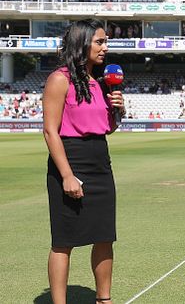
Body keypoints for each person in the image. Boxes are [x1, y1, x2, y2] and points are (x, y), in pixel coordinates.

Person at [42, 19, 125, 304]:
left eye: (106, 42)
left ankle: (104, 299)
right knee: (64, 241)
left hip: (100, 162)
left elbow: (105, 128)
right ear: (82, 43)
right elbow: (50, 131)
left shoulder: (100, 83)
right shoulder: (59, 79)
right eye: (100, 42)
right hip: (70, 159)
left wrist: (118, 111)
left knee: (104, 236)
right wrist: (66, 175)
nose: (105, 47)